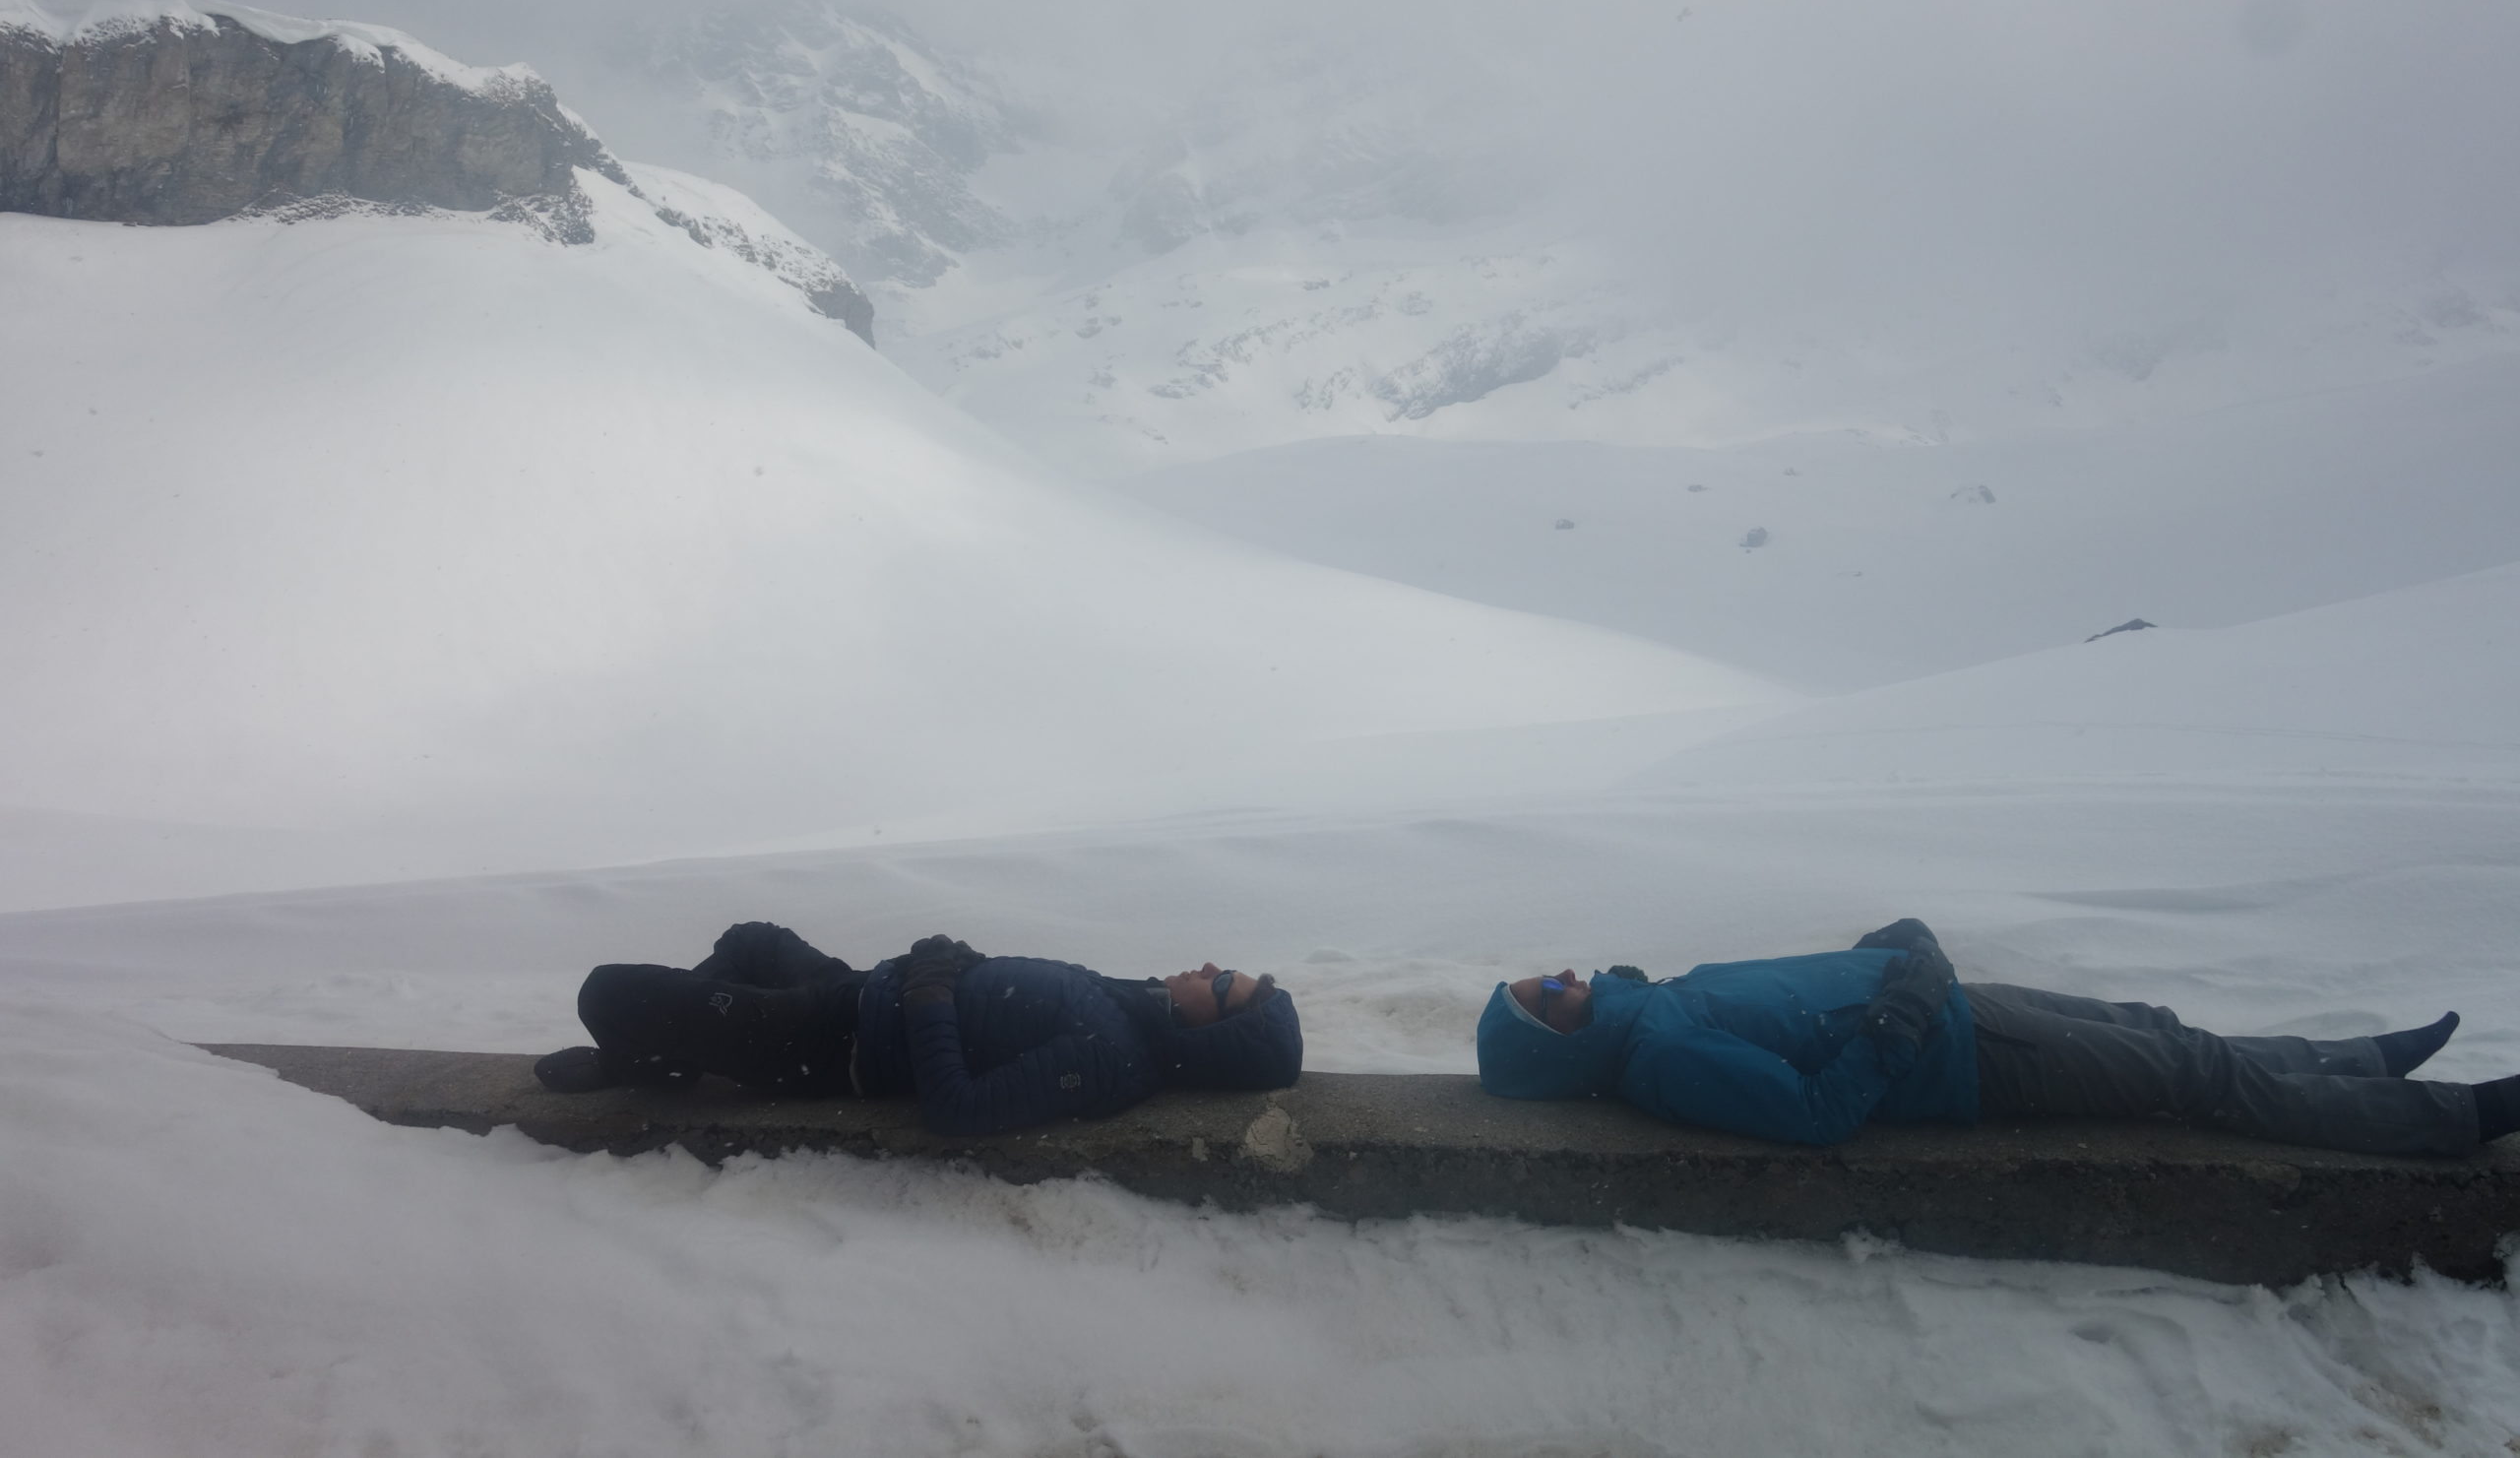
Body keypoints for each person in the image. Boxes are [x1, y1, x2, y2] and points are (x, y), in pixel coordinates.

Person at [1477, 919, 2517, 1158]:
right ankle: (2453, 1120)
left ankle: (2362, 1064)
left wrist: (1881, 960)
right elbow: (1815, 1113)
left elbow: (1794, 1008)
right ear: (1556, 1046)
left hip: (1953, 1008)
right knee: (2191, 1074)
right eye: (1551, 993)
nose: (1568, 974)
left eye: (1551, 971)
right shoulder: (1661, 1059)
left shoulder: (1647, 1009)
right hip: (1970, 1055)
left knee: (2163, 1031)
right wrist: (1900, 1014)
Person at [535, 921, 1302, 1136]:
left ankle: (639, 1057)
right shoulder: (1136, 1007)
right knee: (751, 940)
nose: (1209, 966)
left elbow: (956, 1108)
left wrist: (932, 988)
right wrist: (961, 962)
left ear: (1215, 1035)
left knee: (605, 992)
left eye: (1222, 983)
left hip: (831, 1045)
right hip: (858, 988)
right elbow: (1009, 1004)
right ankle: (669, 1056)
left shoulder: (1114, 1060)